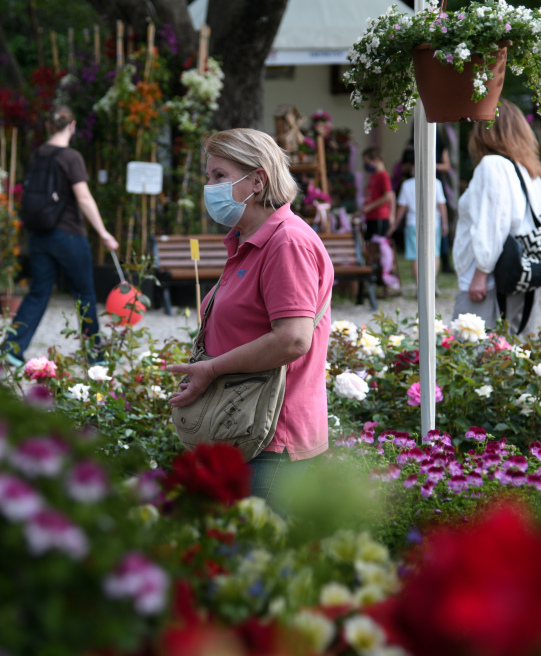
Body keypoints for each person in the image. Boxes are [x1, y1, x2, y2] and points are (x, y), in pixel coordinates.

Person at [166, 128, 333, 509]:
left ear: (257, 181)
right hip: (244, 427)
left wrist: (212, 369)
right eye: (208, 177)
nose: (209, 187)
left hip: (272, 435)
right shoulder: (249, 240)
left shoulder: (286, 241)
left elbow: (293, 338)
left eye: (219, 176)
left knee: (258, 561)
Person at [1, 106, 119, 365]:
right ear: (72, 126)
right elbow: (84, 198)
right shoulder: (71, 157)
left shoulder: (38, 154)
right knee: (85, 295)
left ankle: (11, 348)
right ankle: (96, 357)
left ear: (49, 126)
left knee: (38, 293)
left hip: (39, 235)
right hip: (68, 235)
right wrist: (103, 232)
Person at [452, 100, 541, 334]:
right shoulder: (530, 171)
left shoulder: (492, 165)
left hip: (491, 282)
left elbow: (492, 224)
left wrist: (480, 274)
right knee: (511, 356)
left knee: (471, 357)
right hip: (521, 277)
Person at [389, 158, 447, 289]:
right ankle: (432, 284)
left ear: (413, 170)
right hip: (434, 223)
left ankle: (419, 286)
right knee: (435, 254)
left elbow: (402, 208)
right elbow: (442, 205)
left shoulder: (407, 185)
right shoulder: (436, 183)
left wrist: (395, 224)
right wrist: (445, 223)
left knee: (415, 255)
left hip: (412, 222)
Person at [357, 147, 395, 240]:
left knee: (377, 246)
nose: (365, 164)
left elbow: (389, 196)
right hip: (370, 216)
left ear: (376, 160)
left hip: (379, 217)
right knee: (369, 246)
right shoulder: (373, 175)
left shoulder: (383, 176)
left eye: (367, 161)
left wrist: (370, 207)